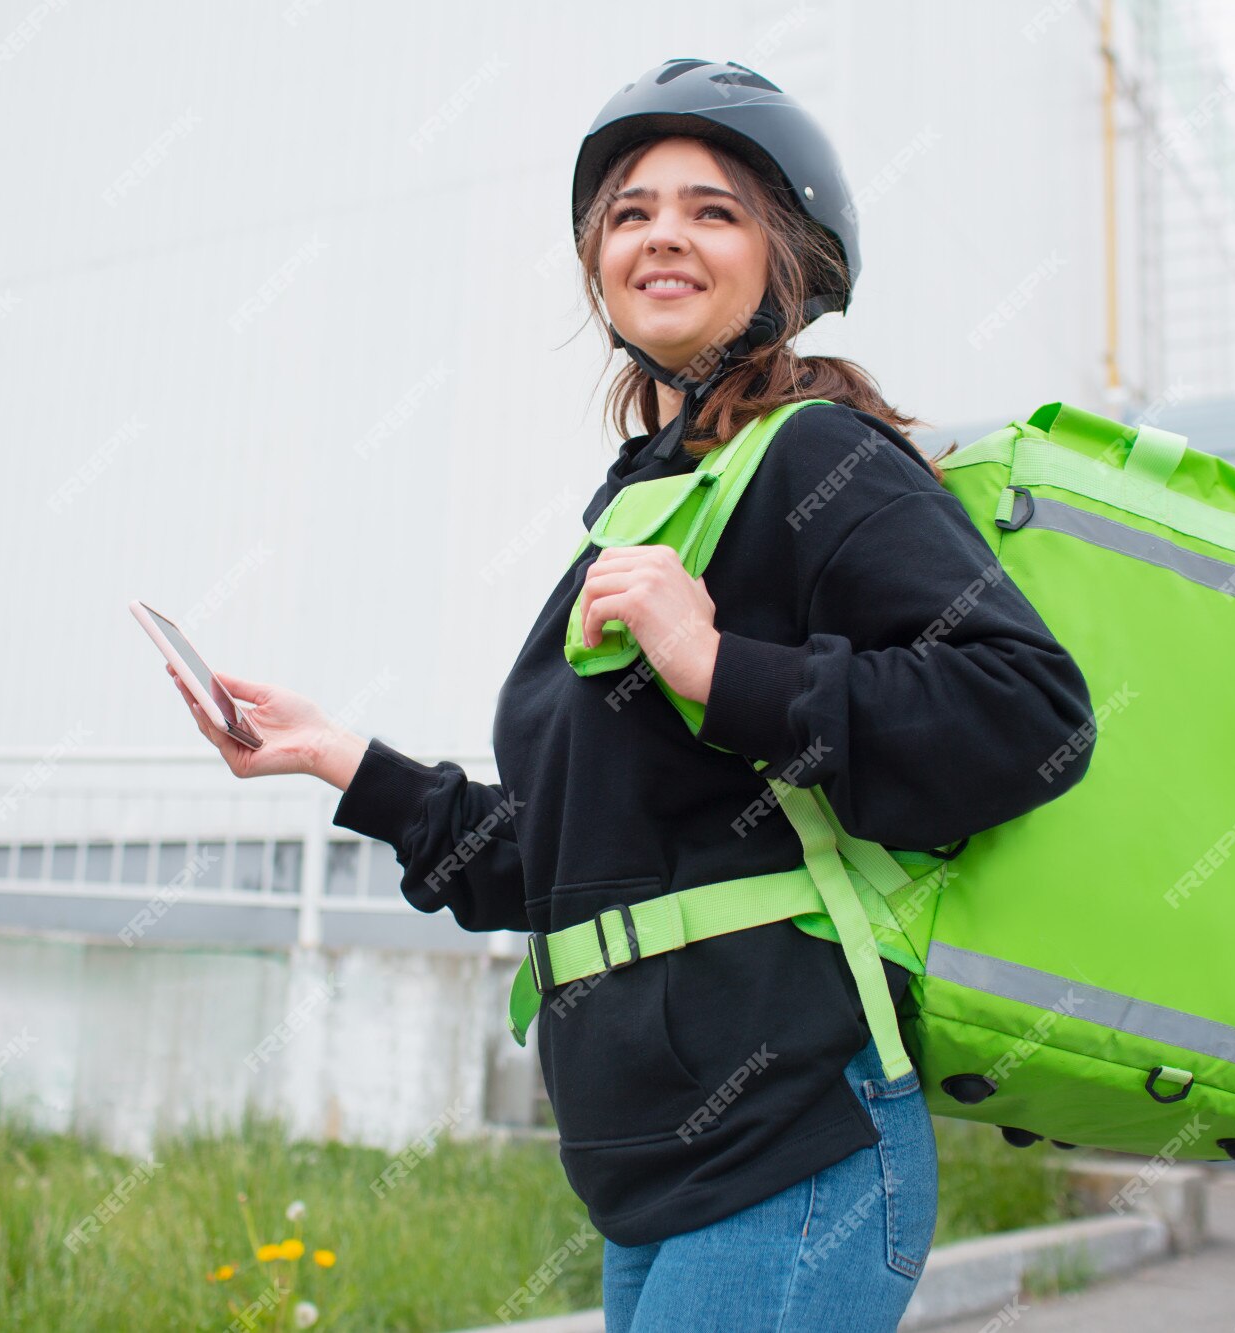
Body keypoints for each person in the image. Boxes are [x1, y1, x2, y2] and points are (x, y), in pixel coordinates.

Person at [169, 57, 1096, 1333]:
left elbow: (1030, 713)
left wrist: (722, 671)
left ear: (786, 264)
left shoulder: (814, 461)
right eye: (629, 211)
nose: (662, 231)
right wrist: (345, 760)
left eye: (713, 209)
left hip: (793, 1154)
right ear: (598, 265)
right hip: (650, 1182)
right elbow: (573, 871)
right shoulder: (643, 516)